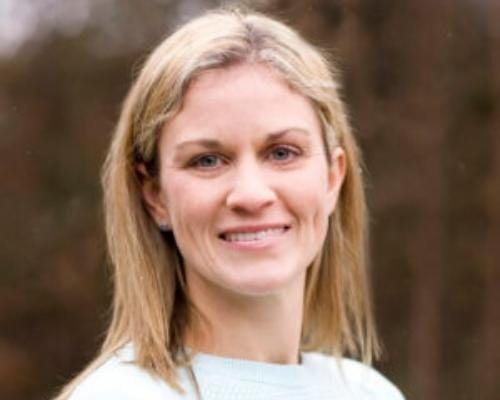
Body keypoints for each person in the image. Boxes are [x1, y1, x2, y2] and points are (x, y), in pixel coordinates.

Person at [54, 8, 405, 400]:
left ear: (332, 178)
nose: (251, 195)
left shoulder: (370, 392)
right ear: (155, 196)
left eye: (282, 153)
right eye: (207, 161)